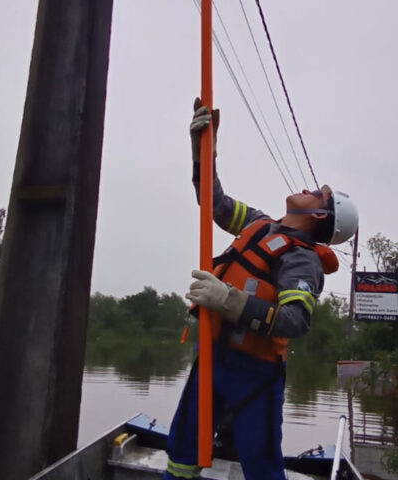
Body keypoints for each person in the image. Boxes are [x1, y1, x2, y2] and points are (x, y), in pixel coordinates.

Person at [163, 99, 359, 480]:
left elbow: (295, 320)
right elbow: (214, 204)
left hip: (256, 373)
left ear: (320, 215)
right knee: (182, 452)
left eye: (317, 194)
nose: (309, 188)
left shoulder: (302, 260)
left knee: (262, 467)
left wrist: (229, 301)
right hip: (213, 357)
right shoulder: (260, 224)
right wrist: (203, 150)